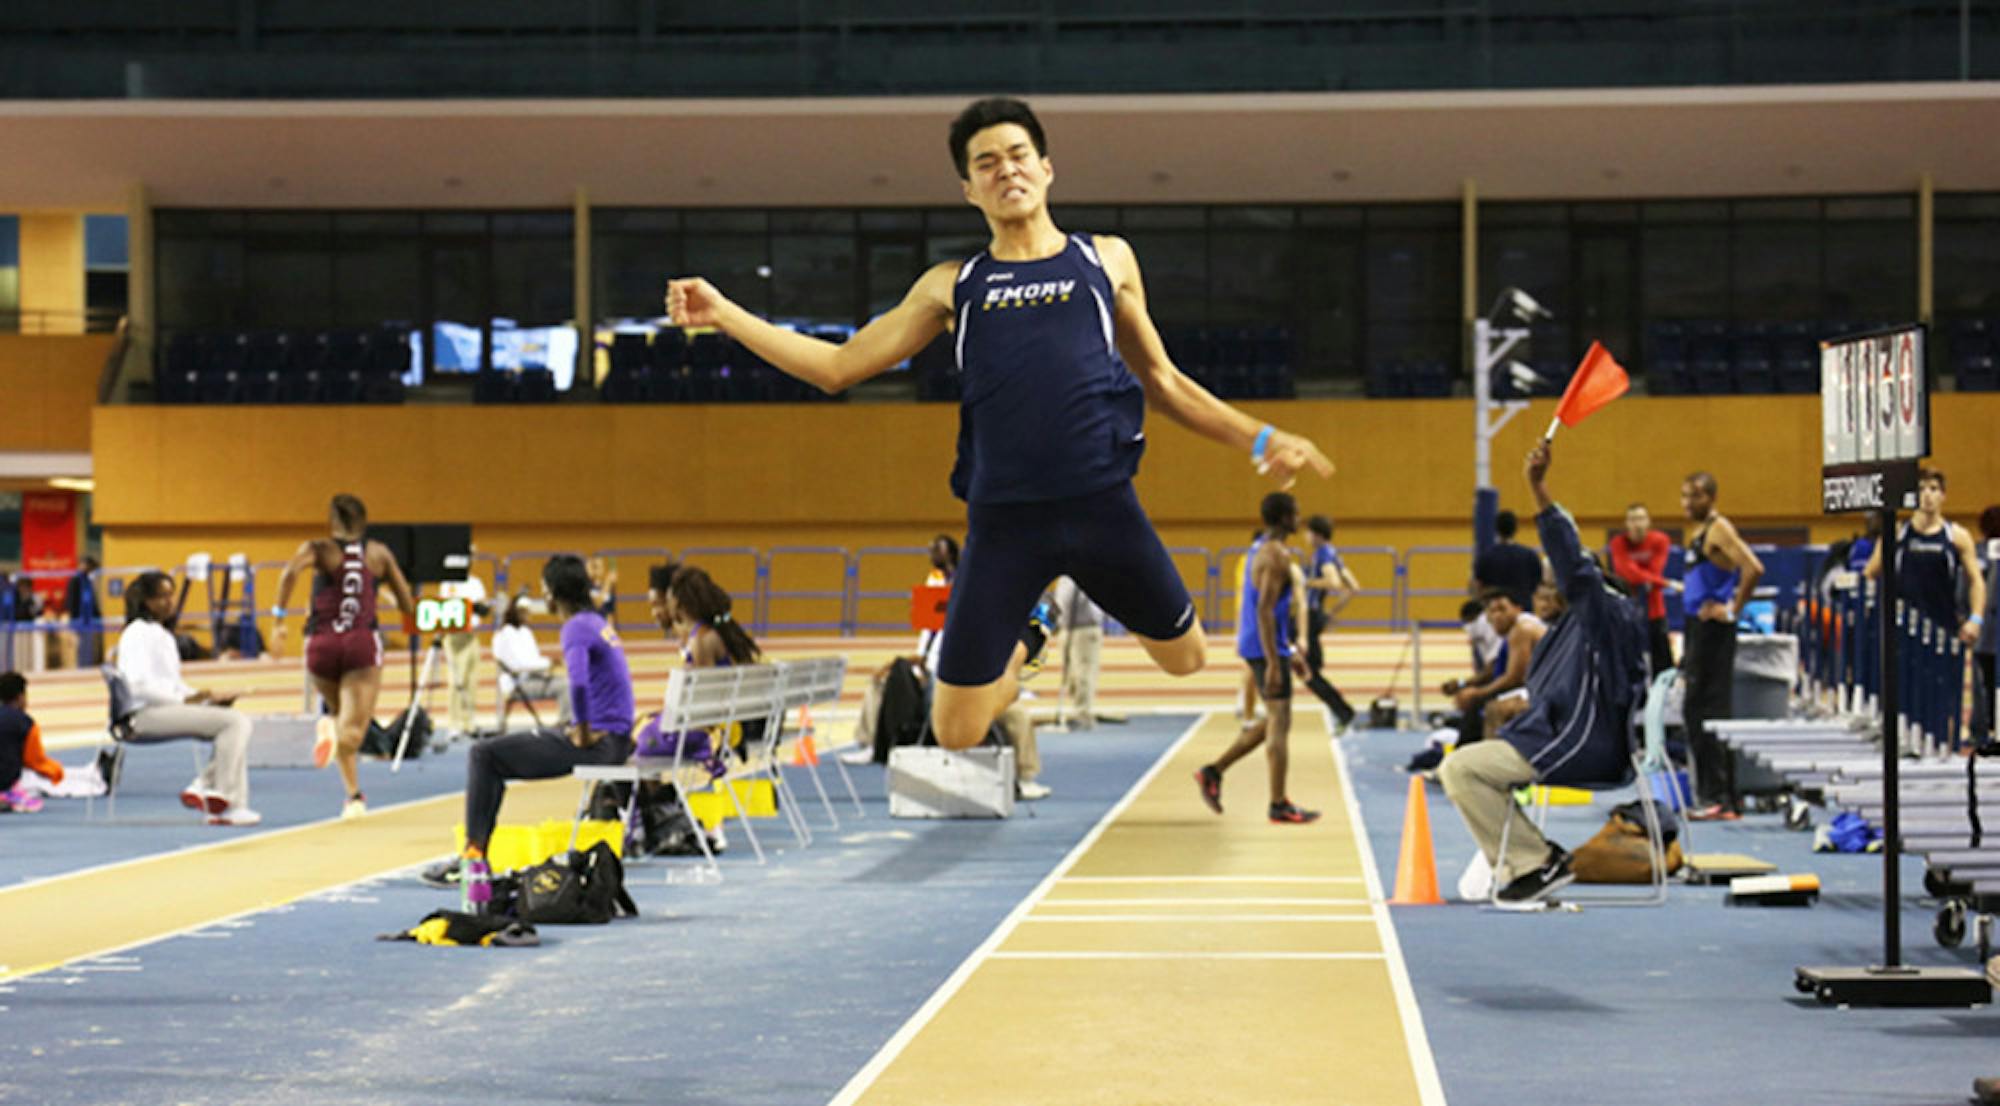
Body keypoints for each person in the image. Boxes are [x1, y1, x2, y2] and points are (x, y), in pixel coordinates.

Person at [666, 96, 1330, 756]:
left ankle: (1037, 625)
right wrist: (726, 315)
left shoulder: (1106, 261)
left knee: (1187, 659)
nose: (1005, 170)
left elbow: (1163, 381)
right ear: (969, 188)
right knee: (956, 730)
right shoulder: (954, 285)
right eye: (986, 163)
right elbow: (838, 367)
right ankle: (1033, 636)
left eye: (1017, 155)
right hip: (1005, 525)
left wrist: (1262, 438)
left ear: (1046, 168)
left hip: (1103, 510)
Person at [1439, 441, 1650, 905]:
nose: (1543, 592)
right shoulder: (1575, 626)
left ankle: (1534, 861)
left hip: (1580, 744)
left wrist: (1537, 488)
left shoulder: (1604, 614)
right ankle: (1527, 860)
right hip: (1562, 733)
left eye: (1552, 584)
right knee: (1467, 765)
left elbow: (1574, 566)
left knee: (1459, 769)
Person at [424, 554, 637, 905]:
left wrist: (582, 730)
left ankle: (472, 859)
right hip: (613, 737)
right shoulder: (596, 621)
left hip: (596, 742)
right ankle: (475, 856)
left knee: (484, 755)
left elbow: (579, 684)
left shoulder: (576, 627)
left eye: (543, 587)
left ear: (553, 592)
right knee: (493, 757)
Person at [271, 493, 417, 820]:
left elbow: (288, 574)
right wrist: (408, 622)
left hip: (320, 645)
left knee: (340, 714)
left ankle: (353, 796)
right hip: (361, 645)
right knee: (353, 733)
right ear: (364, 523)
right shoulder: (378, 553)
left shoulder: (318, 549)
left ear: (331, 524)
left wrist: (279, 620)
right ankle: (333, 732)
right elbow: (407, 601)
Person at [1193, 492, 1319, 824]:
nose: (1299, 518)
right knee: (1280, 723)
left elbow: (1271, 612)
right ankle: (1278, 803)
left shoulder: (1259, 550)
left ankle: (1213, 771)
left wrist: (1288, 650)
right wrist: (1276, 662)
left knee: (1273, 722)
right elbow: (1264, 610)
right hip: (1264, 649)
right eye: (1296, 512)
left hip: (1264, 646)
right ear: (1283, 518)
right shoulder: (1275, 556)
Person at [115, 571, 261, 826]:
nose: (169, 602)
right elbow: (137, 685)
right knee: (235, 723)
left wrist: (203, 698)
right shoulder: (138, 633)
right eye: (161, 597)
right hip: (142, 716)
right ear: (145, 601)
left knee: (234, 721)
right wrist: (182, 702)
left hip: (161, 710)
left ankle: (211, 790)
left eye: (171, 595)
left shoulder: (160, 634)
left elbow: (171, 684)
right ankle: (222, 796)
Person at [1679, 470, 1765, 820]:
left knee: (1709, 712)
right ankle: (1715, 795)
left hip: (1714, 632)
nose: (1687, 503)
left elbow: (1753, 568)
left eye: (1694, 496)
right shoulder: (1700, 533)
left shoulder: (1719, 529)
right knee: (1695, 711)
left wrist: (1732, 610)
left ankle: (1720, 799)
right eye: (1684, 496)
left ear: (1711, 498)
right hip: (1697, 629)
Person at [1864, 468, 1987, 649]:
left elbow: (1977, 581)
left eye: (1933, 488)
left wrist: (1976, 619)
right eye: (1921, 489)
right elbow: (1868, 574)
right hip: (1902, 631)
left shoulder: (1957, 536)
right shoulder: (1897, 533)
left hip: (1944, 630)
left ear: (1943, 495)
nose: (1927, 495)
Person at [1298, 515, 1359, 730]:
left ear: (1316, 534)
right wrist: (1332, 612)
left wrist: (1304, 582)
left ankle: (1344, 712)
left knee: (1307, 671)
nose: (1305, 536)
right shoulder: (1334, 553)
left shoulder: (1322, 554)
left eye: (1308, 532)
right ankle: (1343, 711)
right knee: (1307, 668)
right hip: (1316, 615)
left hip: (1310, 616)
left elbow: (1333, 582)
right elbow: (1353, 587)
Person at [1608, 502, 1679, 677]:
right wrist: (1666, 583)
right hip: (1628, 608)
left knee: (1662, 661)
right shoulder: (1618, 543)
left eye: (1640, 519)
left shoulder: (1660, 540)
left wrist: (1651, 580)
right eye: (1632, 519)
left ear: (1648, 522)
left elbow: (1655, 570)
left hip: (1655, 608)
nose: (1637, 524)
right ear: (1626, 524)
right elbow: (1627, 573)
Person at [492, 592, 565, 732]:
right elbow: (519, 665)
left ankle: (566, 722)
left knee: (566, 681)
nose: (528, 616)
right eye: (524, 612)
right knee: (565, 686)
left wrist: (546, 666)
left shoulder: (526, 632)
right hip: (517, 684)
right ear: (515, 612)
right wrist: (549, 663)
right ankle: (566, 723)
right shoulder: (504, 634)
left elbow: (534, 659)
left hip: (531, 678)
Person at [0, 671, 64, 813]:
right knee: (51, 780)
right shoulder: (26, 723)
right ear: (21, 697)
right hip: (7, 780)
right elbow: (34, 761)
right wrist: (57, 772)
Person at [438, 569, 489, 741]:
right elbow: (448, 605)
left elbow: (482, 605)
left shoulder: (475, 582)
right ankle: (454, 724)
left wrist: (481, 608)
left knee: (471, 680)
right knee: (455, 682)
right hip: (454, 636)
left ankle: (469, 722)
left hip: (472, 635)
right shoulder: (448, 583)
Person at [1051, 575, 1103, 730]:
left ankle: (1083, 714)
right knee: (1072, 676)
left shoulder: (1087, 572)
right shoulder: (1063, 578)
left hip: (1085, 628)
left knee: (1083, 673)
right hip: (1066, 629)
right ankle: (1077, 709)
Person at [1472, 509, 1546, 611]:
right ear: (1515, 529)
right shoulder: (1530, 555)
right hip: (1522, 609)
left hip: (1496, 611)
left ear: (1496, 529)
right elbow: (1537, 584)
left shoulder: (1486, 557)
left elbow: (1478, 586)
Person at [1972, 506, 2000, 747]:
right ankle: (1990, 728)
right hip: (1987, 630)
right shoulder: (1979, 552)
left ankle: (1990, 727)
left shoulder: (1978, 551)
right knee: (1989, 681)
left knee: (1988, 683)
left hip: (1986, 630)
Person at [62, 555, 103, 668]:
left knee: (87, 645)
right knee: (80, 645)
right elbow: (71, 600)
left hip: (87, 618)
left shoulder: (87, 580)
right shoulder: (76, 579)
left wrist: (97, 615)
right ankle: (82, 666)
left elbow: (91, 600)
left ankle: (85, 665)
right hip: (79, 618)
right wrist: (74, 618)